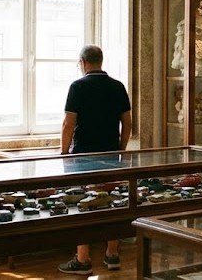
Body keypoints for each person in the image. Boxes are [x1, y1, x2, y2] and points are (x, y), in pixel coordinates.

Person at [58, 45, 133, 275]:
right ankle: (112, 255)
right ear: (101, 61)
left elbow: (68, 123)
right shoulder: (118, 86)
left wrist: (64, 152)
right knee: (112, 203)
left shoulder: (78, 86)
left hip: (83, 155)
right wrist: (119, 150)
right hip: (110, 155)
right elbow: (127, 123)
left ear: (83, 62)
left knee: (82, 205)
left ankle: (83, 258)